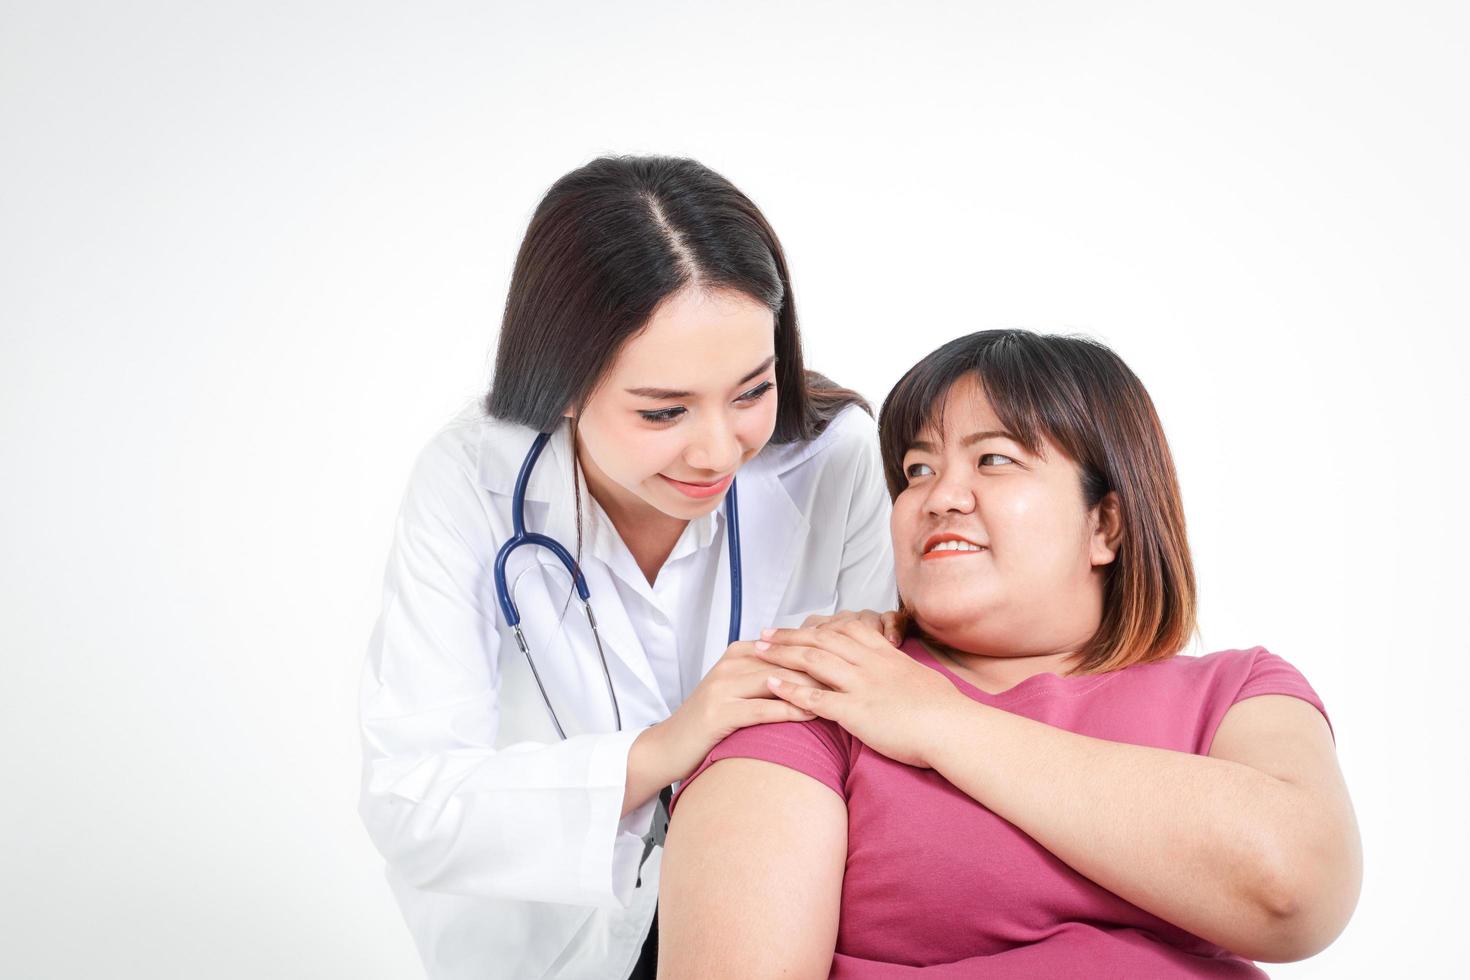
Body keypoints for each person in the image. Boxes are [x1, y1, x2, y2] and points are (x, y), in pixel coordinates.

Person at [659, 329, 1362, 978]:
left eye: (993, 459)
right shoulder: (815, 692)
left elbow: (1294, 891)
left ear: (1105, 524)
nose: (940, 497)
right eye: (917, 469)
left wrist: (940, 722)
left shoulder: (1240, 692)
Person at [357, 156, 897, 980]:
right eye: (663, 411)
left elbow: (883, 742)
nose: (719, 450)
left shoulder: (837, 461)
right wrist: (669, 746)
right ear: (562, 383)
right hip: (557, 940)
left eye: (752, 392)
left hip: (786, 922)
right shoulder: (470, 479)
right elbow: (413, 802)